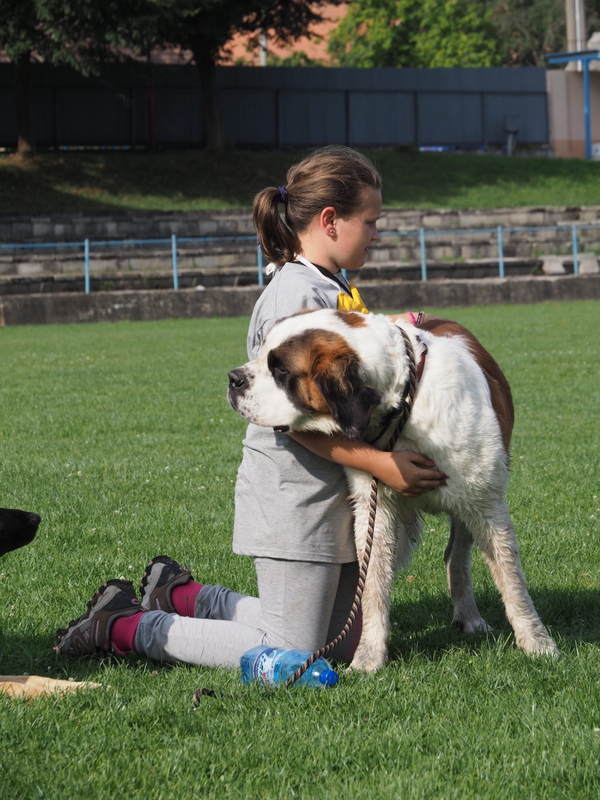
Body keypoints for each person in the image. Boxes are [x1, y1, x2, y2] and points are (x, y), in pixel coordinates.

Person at [54, 146, 447, 668]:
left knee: (341, 644)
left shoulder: (328, 284)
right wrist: (383, 465)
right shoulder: (293, 298)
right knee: (294, 653)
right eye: (371, 221)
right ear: (330, 221)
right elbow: (291, 424)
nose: (377, 233)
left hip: (332, 497)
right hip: (295, 501)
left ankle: (180, 595)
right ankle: (122, 625)